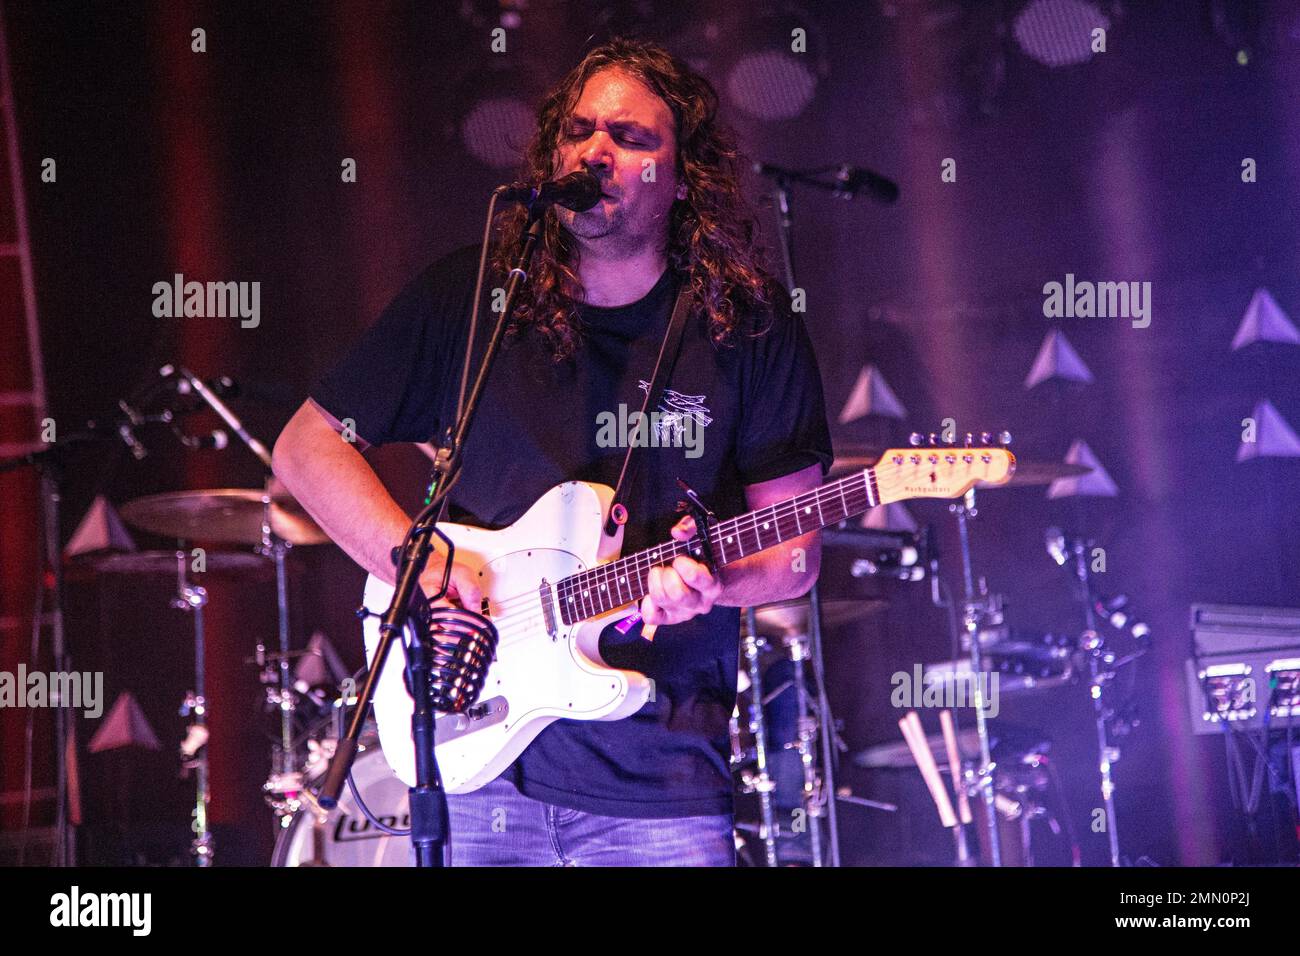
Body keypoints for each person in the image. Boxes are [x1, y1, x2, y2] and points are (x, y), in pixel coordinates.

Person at [272, 37, 832, 866]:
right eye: (578, 132)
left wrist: (716, 583)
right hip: (478, 762)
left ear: (684, 178)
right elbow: (305, 446)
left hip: (661, 780)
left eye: (632, 138)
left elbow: (794, 556)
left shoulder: (746, 326)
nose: (595, 152)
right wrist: (420, 569)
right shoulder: (474, 298)